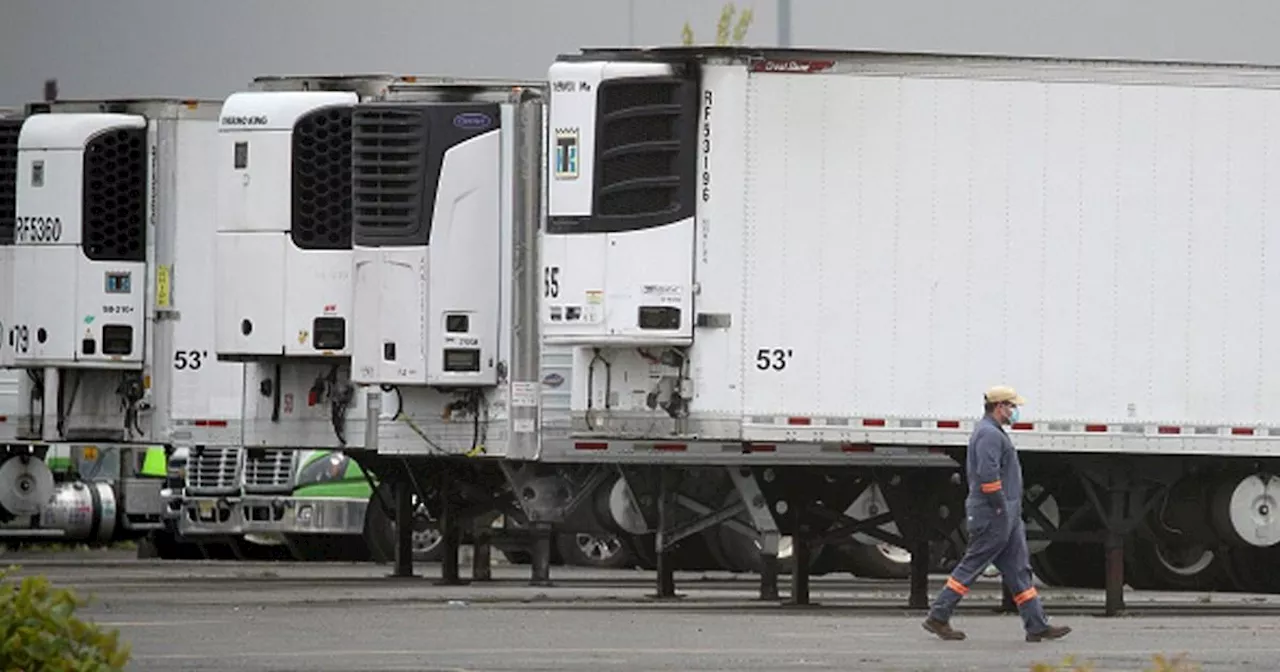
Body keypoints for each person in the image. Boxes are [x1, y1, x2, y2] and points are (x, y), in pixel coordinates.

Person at [922, 385, 1072, 643]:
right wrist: (1001, 506)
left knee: (1019, 569)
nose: (1015, 412)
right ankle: (938, 615)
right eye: (1012, 407)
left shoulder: (993, 433)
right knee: (973, 564)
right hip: (995, 514)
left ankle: (1036, 625)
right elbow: (988, 475)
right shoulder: (989, 435)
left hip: (1005, 515)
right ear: (999, 406)